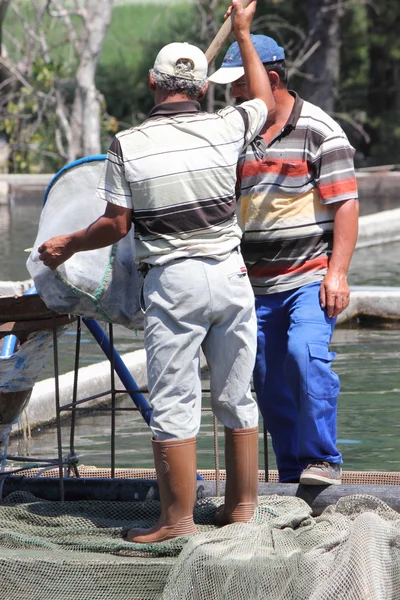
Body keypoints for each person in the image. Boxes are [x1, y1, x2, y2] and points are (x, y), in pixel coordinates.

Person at [38, 1, 275, 542]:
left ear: (152, 83)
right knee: (237, 395)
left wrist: (69, 244)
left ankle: (176, 520)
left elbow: (115, 226)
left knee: (174, 400)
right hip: (231, 276)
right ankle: (241, 511)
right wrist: (242, 31)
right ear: (202, 87)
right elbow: (263, 99)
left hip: (176, 279)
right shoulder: (226, 126)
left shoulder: (130, 145)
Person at [208, 34, 359, 486]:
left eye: (241, 85)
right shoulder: (235, 133)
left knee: (304, 355)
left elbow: (346, 203)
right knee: (267, 376)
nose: (234, 95)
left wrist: (337, 273)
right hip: (253, 283)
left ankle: (322, 459)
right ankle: (294, 472)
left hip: (308, 275)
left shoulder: (318, 129)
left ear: (270, 80)